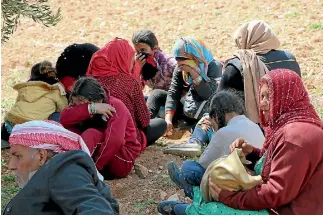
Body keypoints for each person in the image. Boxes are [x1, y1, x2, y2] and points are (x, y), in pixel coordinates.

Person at [158, 69, 323, 215]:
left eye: (269, 96)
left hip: (287, 210)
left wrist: (228, 198)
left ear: (286, 96)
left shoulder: (294, 136)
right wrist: (252, 153)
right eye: (262, 96)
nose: (263, 103)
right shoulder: (293, 126)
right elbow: (278, 165)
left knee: (215, 208)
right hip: (285, 202)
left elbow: (275, 193)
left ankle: (186, 210)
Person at [3, 120, 119, 215]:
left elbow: (97, 210)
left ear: (41, 155)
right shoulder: (55, 172)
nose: (11, 165)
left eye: (18, 156)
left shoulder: (64, 169)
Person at [165, 91, 265, 198]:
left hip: (235, 184)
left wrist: (215, 133)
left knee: (188, 167)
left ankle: (191, 191)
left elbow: (203, 164)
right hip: (254, 180)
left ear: (216, 116)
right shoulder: (254, 126)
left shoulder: (224, 132)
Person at [87, 38, 167, 150]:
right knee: (161, 124)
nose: (132, 63)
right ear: (122, 59)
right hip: (127, 140)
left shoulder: (90, 81)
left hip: (97, 138)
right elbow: (144, 121)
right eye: (131, 60)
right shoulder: (128, 82)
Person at [218, 20, 301, 124]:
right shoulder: (290, 59)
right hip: (291, 120)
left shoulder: (237, 64)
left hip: (253, 129)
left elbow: (219, 103)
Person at [60, 77, 141, 179]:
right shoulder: (88, 105)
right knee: (72, 129)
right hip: (97, 155)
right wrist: (90, 108)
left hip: (120, 160)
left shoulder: (115, 106)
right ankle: (71, 165)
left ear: (95, 99)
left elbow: (115, 141)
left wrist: (95, 167)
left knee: (91, 134)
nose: (79, 104)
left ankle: (77, 170)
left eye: (81, 101)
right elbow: (64, 119)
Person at [164, 37, 222, 134]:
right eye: (177, 59)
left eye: (182, 59)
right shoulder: (180, 68)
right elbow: (174, 92)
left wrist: (194, 73)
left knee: (206, 125)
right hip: (189, 107)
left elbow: (209, 95)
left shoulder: (214, 66)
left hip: (206, 111)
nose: (178, 62)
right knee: (157, 95)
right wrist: (168, 119)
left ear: (195, 57)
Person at [1, 61, 67, 142]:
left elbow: (17, 103)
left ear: (32, 75)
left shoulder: (26, 87)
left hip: (10, 125)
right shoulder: (56, 89)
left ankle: (9, 137)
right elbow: (64, 109)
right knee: (58, 115)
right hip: (32, 130)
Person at [132, 30, 177, 118]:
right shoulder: (141, 64)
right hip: (157, 101)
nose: (139, 54)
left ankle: (147, 122)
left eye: (143, 50)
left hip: (172, 102)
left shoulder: (169, 63)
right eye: (137, 51)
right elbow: (137, 89)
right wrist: (137, 69)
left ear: (155, 49)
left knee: (158, 105)